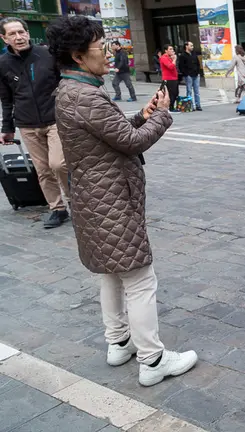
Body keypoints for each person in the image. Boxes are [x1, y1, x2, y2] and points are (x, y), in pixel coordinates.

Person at [46, 15, 197, 387]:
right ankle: (153, 359)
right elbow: (131, 142)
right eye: (101, 48)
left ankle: (118, 341)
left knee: (111, 272)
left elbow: (109, 132)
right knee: (140, 277)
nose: (108, 54)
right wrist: (162, 116)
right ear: (78, 56)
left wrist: (143, 114)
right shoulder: (85, 95)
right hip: (110, 199)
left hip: (93, 198)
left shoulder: (71, 89)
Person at [0, 17, 70, 228]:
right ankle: (57, 209)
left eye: (21, 32)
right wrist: (7, 128)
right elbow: (6, 99)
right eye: (12, 34)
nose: (18, 37)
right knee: (43, 170)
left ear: (28, 33)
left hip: (55, 119)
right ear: (4, 38)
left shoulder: (47, 55)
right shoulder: (3, 64)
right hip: (27, 124)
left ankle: (76, 202)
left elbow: (65, 83)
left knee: (58, 164)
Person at [178, 41, 202, 111]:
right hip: (189, 75)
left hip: (196, 74)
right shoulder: (183, 55)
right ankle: (190, 105)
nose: (192, 47)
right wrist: (186, 74)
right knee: (189, 90)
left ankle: (198, 105)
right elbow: (181, 66)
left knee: (197, 91)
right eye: (191, 45)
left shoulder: (194, 53)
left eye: (192, 46)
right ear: (186, 46)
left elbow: (198, 63)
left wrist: (198, 72)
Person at [158, 44, 178, 111]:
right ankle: (170, 107)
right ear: (166, 51)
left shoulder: (170, 57)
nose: (172, 50)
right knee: (171, 94)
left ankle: (171, 106)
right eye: (170, 49)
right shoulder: (164, 58)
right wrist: (174, 59)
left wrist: (173, 59)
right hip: (168, 78)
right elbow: (171, 67)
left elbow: (174, 67)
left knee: (175, 93)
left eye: (172, 49)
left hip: (174, 78)